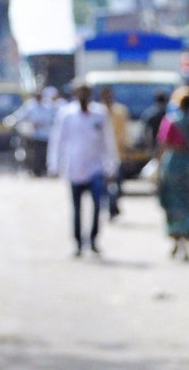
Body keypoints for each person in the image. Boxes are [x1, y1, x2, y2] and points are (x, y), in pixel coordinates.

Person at [49, 81, 120, 255]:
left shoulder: (99, 114)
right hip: (74, 168)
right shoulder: (66, 114)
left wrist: (111, 167)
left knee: (97, 206)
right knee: (77, 208)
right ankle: (78, 243)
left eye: (85, 93)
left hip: (95, 168)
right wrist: (54, 165)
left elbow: (108, 142)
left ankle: (94, 239)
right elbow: (58, 141)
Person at [154, 86, 189, 261]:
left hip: (173, 167)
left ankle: (176, 240)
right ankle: (185, 242)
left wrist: (158, 171)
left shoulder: (170, 121)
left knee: (173, 204)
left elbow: (162, 147)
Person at [95, 85, 130, 217]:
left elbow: (125, 133)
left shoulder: (120, 111)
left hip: (118, 154)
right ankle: (109, 207)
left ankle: (114, 205)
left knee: (117, 184)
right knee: (104, 186)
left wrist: (127, 152)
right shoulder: (96, 112)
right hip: (101, 156)